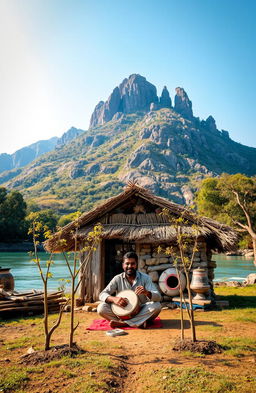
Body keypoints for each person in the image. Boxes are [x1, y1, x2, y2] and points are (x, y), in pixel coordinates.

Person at [97, 251, 161, 328]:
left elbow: (158, 296)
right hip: (122, 312)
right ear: (123, 265)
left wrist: (147, 293)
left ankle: (124, 324)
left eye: (133, 263)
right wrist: (114, 299)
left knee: (157, 306)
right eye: (127, 263)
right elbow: (102, 294)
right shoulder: (117, 279)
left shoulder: (145, 278)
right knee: (101, 308)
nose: (130, 266)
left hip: (140, 311)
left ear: (136, 265)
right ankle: (138, 322)